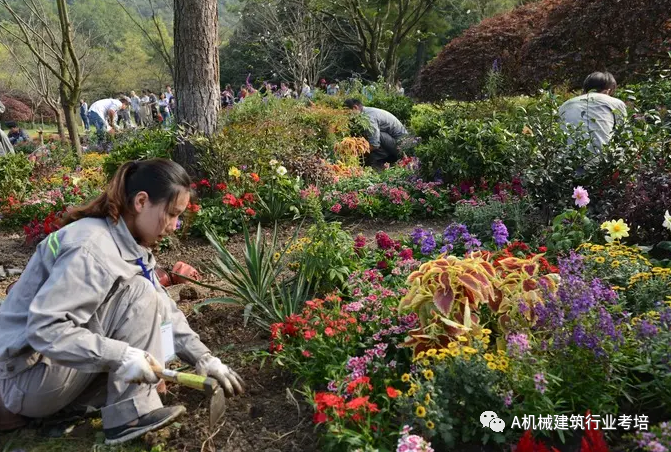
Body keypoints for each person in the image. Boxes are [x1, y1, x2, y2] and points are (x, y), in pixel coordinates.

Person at [0, 159, 245, 444]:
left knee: (147, 296)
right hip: (26, 378)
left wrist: (202, 357)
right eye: (172, 214)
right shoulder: (91, 248)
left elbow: (165, 307)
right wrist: (122, 355)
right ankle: (131, 417)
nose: (175, 226)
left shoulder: (124, 241)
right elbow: (46, 328)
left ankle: (120, 404)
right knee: (139, 292)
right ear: (141, 201)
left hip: (46, 373)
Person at [558, 71, 628, 150]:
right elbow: (625, 137)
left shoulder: (565, 104)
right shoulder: (615, 103)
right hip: (601, 159)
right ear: (608, 91)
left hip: (565, 159)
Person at [344, 98, 408, 169]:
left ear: (355, 107)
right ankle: (380, 159)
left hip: (401, 146)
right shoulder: (365, 112)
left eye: (348, 113)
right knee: (369, 137)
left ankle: (381, 161)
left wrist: (357, 153)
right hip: (391, 141)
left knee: (376, 137)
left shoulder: (369, 117)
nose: (348, 116)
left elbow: (375, 144)